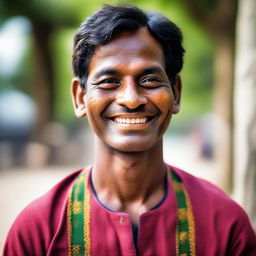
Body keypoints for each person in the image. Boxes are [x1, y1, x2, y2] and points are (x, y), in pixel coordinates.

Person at [3, 5, 256, 256]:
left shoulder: (224, 223)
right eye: (109, 81)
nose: (131, 99)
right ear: (80, 98)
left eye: (149, 80)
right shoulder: (38, 231)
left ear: (176, 93)